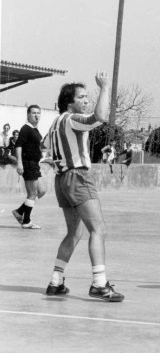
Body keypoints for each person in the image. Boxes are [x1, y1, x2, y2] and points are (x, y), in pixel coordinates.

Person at [41, 71, 124, 302]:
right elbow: (99, 116)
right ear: (70, 103)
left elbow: (43, 147)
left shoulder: (55, 124)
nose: (86, 100)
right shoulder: (71, 119)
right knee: (98, 229)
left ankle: (55, 282)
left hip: (62, 180)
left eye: (88, 96)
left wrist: (53, 166)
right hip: (78, 176)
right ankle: (99, 284)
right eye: (82, 97)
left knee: (74, 232)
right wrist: (105, 87)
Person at [12, 106, 47, 229]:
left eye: (38, 113)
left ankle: (19, 211)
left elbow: (38, 147)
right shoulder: (25, 128)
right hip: (28, 163)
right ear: (28, 115)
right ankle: (26, 221)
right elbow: (18, 145)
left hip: (35, 164)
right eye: (33, 113)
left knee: (41, 191)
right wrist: (20, 163)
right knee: (32, 194)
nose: (36, 115)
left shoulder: (35, 130)